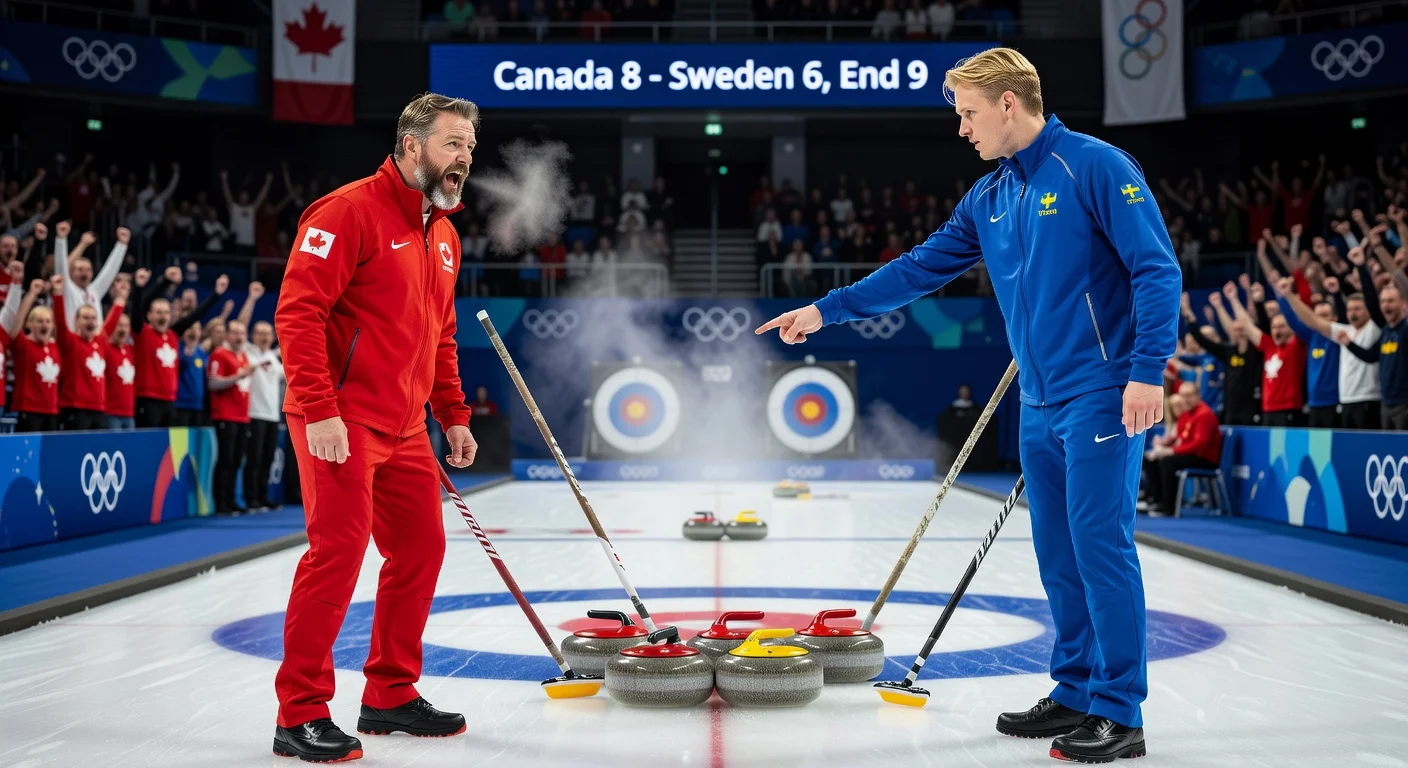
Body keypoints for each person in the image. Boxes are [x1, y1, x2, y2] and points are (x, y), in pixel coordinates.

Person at [755, 48, 1177, 762]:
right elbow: (919, 268)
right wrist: (827, 310)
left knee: (1101, 547)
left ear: (1009, 103)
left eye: (969, 113)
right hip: (1039, 400)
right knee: (1058, 556)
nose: (962, 128)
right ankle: (1075, 689)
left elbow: (1155, 268)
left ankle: (1119, 710)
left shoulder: (1094, 166)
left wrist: (1147, 370)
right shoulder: (990, 196)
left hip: (1102, 393)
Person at [271, 92, 479, 762]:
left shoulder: (444, 235)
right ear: (412, 145)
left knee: (420, 549)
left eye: (470, 147)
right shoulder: (347, 211)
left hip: (406, 426)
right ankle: (300, 712)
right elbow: (298, 314)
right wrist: (320, 408)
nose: (464, 158)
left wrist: (453, 414)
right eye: (453, 144)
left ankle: (389, 694)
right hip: (339, 417)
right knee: (337, 553)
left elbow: (440, 336)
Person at [128, 266, 228, 428]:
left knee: (169, 443)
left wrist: (216, 294)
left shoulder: (173, 335)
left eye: (166, 313)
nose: (163, 316)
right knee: (149, 442)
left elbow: (195, 316)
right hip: (147, 399)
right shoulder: (143, 333)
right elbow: (138, 309)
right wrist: (142, 287)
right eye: (158, 312)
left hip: (170, 400)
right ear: (149, 316)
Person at [1223, 279, 1305, 427]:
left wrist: (1287, 296)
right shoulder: (1269, 347)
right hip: (1267, 409)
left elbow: (1300, 321)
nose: (1277, 331)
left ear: (1291, 328)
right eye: (1274, 327)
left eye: (1282, 327)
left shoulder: (1295, 346)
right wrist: (1233, 299)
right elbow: (1247, 326)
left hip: (1289, 408)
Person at [51, 276, 127, 430]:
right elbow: (60, 321)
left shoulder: (100, 341)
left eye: (93, 318)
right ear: (76, 321)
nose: (90, 321)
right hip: (75, 408)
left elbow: (112, 321)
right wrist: (58, 293)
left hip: (98, 408)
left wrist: (121, 297)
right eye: (85, 318)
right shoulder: (69, 341)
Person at [1141, 382, 1222, 516]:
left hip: (1204, 458)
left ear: (1198, 396)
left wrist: (1171, 451)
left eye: (1189, 395)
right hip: (1190, 454)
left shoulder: (1204, 414)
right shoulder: (1186, 415)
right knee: (1150, 459)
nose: (1185, 400)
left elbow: (1198, 445)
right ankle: (1155, 500)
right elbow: (1180, 438)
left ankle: (1168, 507)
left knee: (1168, 462)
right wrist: (1164, 446)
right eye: (1183, 396)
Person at [209, 319, 255, 516]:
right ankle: (221, 502)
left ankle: (231, 499)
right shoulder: (219, 354)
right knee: (226, 459)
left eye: (242, 333)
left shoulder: (243, 356)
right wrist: (238, 376)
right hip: (225, 415)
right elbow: (213, 383)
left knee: (236, 460)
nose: (239, 337)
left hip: (242, 416)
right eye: (235, 333)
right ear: (227, 335)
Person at [245, 320, 287, 511]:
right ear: (253, 335)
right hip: (254, 413)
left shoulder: (273, 358)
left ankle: (263, 496)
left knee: (267, 458)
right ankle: (251, 497)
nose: (264, 337)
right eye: (260, 333)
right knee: (254, 458)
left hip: (272, 415)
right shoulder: (248, 353)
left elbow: (287, 376)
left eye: (267, 333)